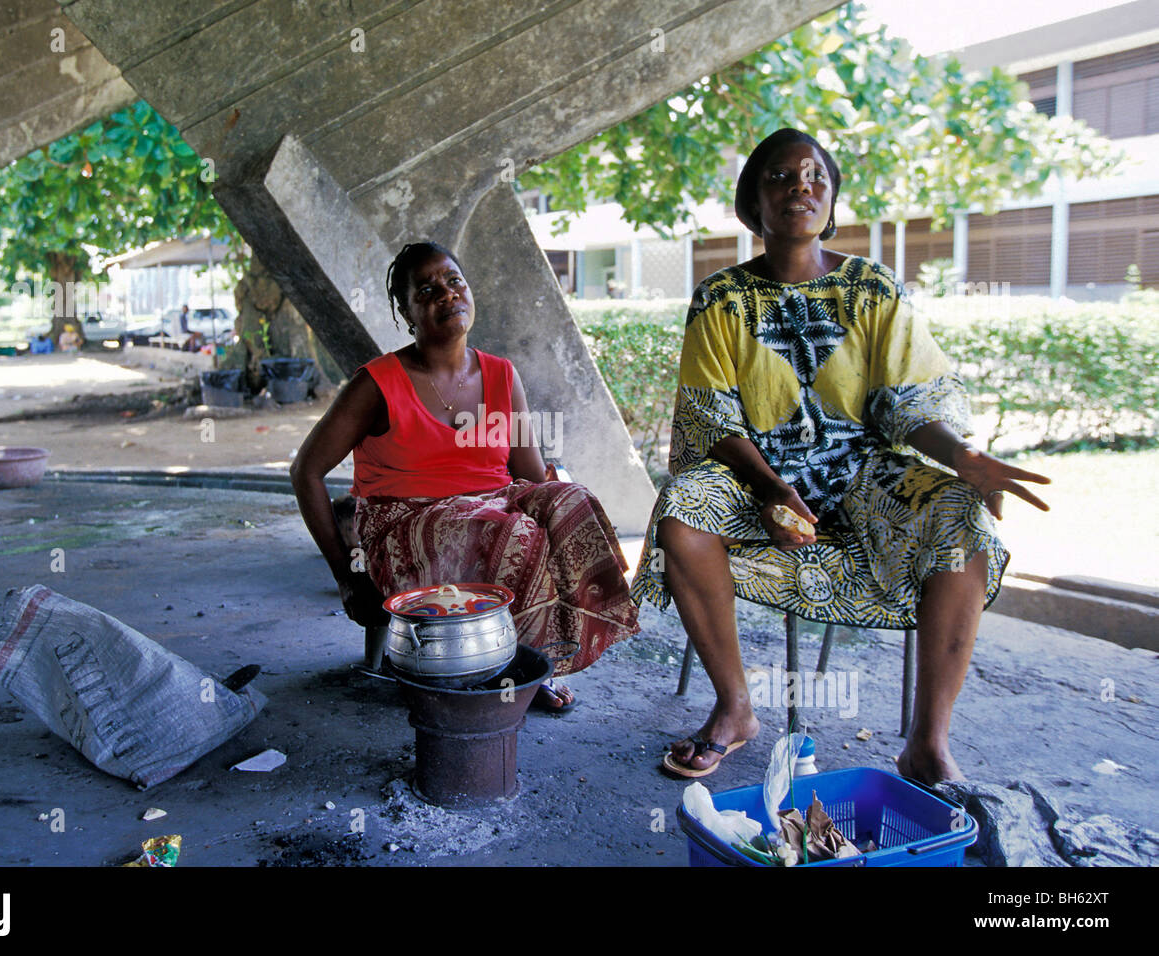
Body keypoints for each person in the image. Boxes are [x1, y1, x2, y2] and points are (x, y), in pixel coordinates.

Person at [630, 128, 1051, 785]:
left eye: (815, 178)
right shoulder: (721, 298)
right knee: (682, 509)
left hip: (862, 478)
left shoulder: (873, 290)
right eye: (781, 177)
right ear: (754, 203)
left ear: (831, 203)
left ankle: (927, 745)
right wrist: (771, 490)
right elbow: (712, 420)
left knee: (962, 519)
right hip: (755, 481)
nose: (801, 187)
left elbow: (910, 402)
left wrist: (964, 457)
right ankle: (736, 708)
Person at [291, 241, 639, 711]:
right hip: (404, 523)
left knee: (571, 503)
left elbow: (530, 475)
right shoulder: (377, 384)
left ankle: (543, 659)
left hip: (493, 502)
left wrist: (560, 505)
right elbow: (306, 471)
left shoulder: (500, 374)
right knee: (511, 533)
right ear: (406, 311)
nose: (447, 295)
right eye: (428, 290)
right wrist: (346, 575)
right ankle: (515, 670)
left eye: (454, 281)